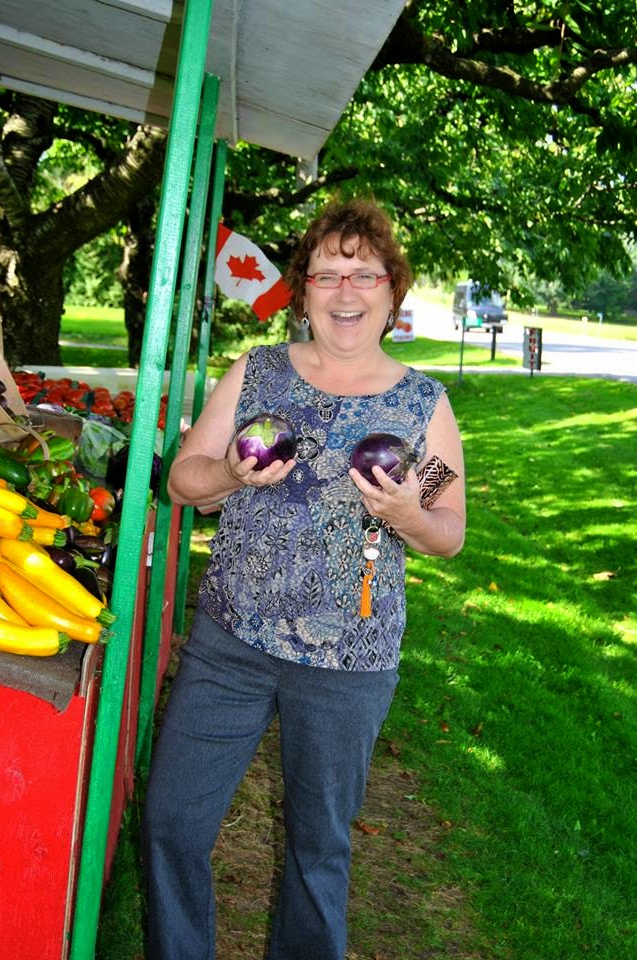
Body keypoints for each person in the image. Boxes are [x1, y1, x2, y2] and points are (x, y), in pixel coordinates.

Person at [141, 198, 466, 960]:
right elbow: (180, 481)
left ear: (392, 290)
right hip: (232, 640)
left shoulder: (424, 407)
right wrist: (227, 471)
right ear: (303, 289)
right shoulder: (256, 372)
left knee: (318, 849)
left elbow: (449, 524)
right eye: (328, 273)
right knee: (171, 821)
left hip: (347, 664)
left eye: (365, 274)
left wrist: (405, 514)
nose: (345, 291)